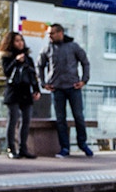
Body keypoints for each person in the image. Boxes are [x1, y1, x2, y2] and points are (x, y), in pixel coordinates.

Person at [37, 23, 93, 158]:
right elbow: (39, 66)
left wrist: (84, 80)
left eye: (52, 33)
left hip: (73, 87)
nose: (49, 36)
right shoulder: (47, 49)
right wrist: (43, 83)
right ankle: (64, 148)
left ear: (60, 33)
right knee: (60, 119)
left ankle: (82, 144)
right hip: (57, 88)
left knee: (78, 116)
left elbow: (85, 62)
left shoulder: (73, 47)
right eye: (49, 34)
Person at [0, 31, 41, 159]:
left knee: (26, 121)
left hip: (26, 91)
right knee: (13, 119)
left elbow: (33, 75)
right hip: (13, 91)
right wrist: (16, 61)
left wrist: (36, 90)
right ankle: (11, 148)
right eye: (17, 41)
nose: (20, 43)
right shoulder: (6, 57)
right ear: (11, 43)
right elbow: (7, 72)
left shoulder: (28, 58)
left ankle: (23, 148)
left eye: (21, 40)